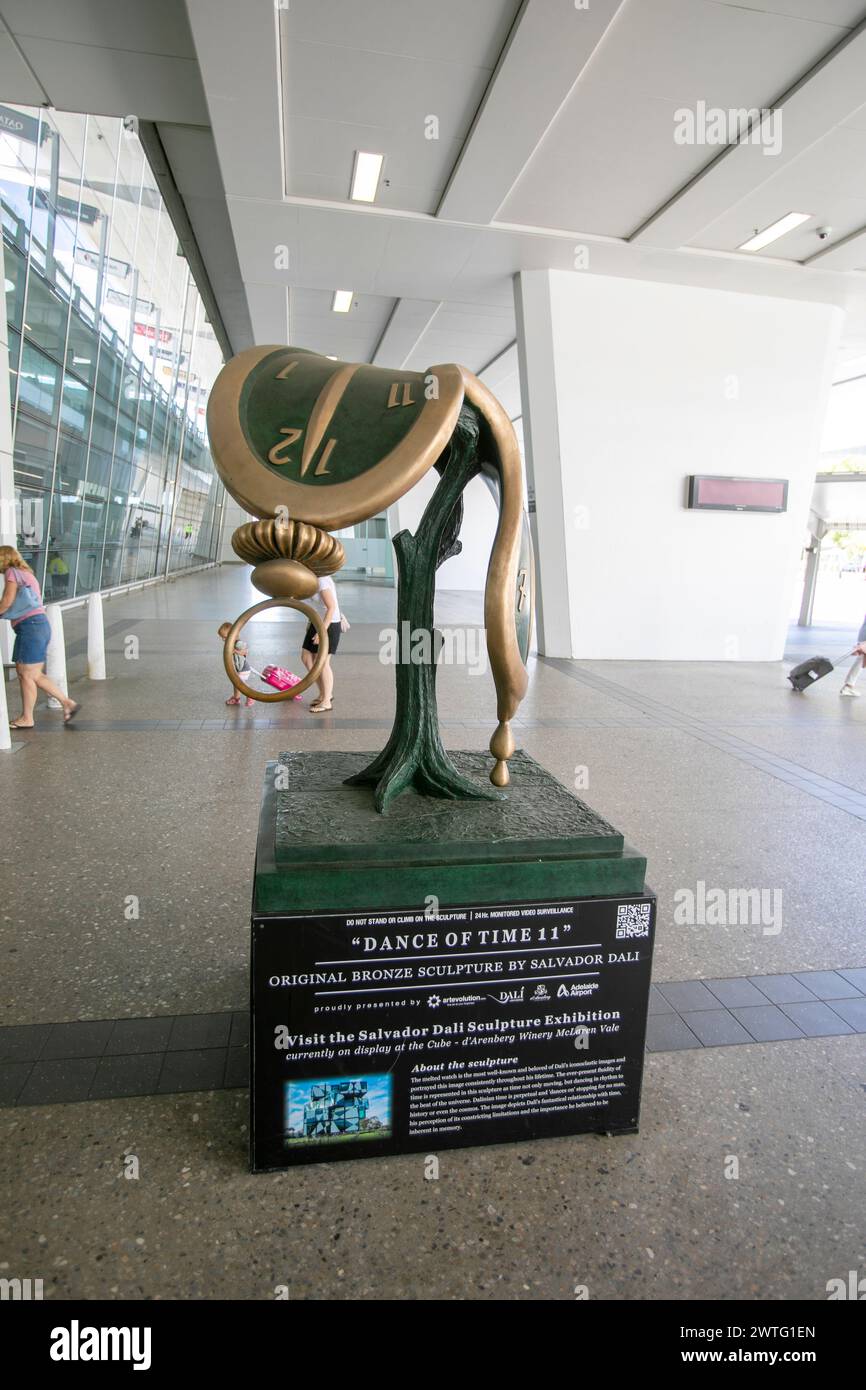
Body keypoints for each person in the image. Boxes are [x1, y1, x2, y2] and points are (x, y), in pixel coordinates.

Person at [0, 546, 80, 728]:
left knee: (28, 674)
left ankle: (45, 711)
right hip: (33, 627)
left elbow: (7, 601)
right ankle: (63, 704)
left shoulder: (12, 572)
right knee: (27, 673)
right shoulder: (25, 573)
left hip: (31, 627)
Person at [301, 575, 344, 713]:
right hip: (316, 621)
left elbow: (331, 607)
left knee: (323, 662)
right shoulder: (310, 577)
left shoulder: (321, 579)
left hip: (328, 624)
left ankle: (326, 702)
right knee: (307, 658)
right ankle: (324, 693)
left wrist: (321, 632)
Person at [217, 621, 255, 707]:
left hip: (243, 668)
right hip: (238, 668)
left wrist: (235, 651)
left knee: (240, 683)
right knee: (236, 683)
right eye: (222, 637)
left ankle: (251, 694)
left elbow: (245, 651)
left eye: (225, 637)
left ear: (232, 635)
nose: (223, 639)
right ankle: (236, 698)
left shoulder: (238, 643)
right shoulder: (230, 643)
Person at [840, 612, 866, 697]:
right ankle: (848, 686)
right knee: (861, 661)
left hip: (863, 635)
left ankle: (848, 686)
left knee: (861, 661)